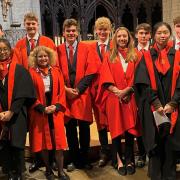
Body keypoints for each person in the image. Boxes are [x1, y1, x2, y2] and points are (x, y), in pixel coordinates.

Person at [134, 22, 180, 180]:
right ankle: (156, 176)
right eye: (159, 33)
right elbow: (142, 82)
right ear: (153, 35)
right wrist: (157, 104)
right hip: (154, 109)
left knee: (170, 144)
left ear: (170, 34)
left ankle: (170, 175)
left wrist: (173, 103)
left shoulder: (177, 55)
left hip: (174, 108)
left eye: (165, 32)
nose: (162, 36)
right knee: (155, 144)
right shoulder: (146, 57)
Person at [14, 12, 58, 172]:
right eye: (28, 24)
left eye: (33, 23)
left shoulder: (47, 41)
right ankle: (37, 159)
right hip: (29, 92)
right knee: (34, 128)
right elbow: (18, 69)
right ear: (24, 24)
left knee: (50, 127)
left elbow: (54, 63)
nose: (31, 26)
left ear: (37, 24)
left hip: (46, 90)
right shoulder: (19, 44)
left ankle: (52, 159)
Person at [96, 27, 141, 176]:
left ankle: (129, 160)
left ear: (129, 38)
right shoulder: (109, 55)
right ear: (115, 39)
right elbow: (104, 77)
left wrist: (127, 91)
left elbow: (140, 77)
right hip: (114, 98)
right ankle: (118, 160)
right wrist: (118, 92)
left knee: (129, 130)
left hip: (131, 97)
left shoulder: (136, 55)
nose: (122, 39)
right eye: (119, 36)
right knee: (116, 131)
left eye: (125, 36)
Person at [57, 18, 100, 172]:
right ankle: (74, 160)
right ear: (63, 33)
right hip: (66, 95)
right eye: (68, 31)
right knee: (69, 129)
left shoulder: (86, 48)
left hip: (82, 95)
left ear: (78, 32)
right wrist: (66, 90)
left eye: (73, 31)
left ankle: (84, 159)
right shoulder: (58, 50)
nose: (71, 33)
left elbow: (92, 71)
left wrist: (78, 90)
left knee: (84, 128)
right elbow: (56, 72)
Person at [28, 46, 69, 180]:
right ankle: (48, 170)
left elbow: (61, 92)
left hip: (55, 112)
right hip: (40, 112)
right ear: (35, 58)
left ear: (49, 57)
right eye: (40, 56)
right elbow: (30, 94)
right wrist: (42, 108)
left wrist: (56, 106)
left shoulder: (56, 71)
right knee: (44, 143)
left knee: (59, 143)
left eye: (45, 56)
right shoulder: (31, 73)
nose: (43, 58)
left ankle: (61, 171)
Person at [0, 38, 36, 180]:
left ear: (10, 50)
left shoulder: (19, 70)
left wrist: (11, 111)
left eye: (5, 49)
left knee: (17, 143)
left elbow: (23, 93)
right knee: (4, 143)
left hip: (16, 114)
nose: (2, 52)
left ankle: (20, 172)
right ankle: (9, 172)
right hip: (1, 115)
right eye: (0, 50)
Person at [89, 17, 112, 167]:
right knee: (101, 124)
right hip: (96, 92)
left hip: (111, 91)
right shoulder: (90, 48)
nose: (102, 32)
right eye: (100, 29)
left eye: (105, 29)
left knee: (114, 122)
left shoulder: (115, 46)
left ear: (110, 31)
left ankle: (116, 152)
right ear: (96, 31)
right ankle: (104, 151)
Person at [134, 23, 152, 168]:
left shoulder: (154, 52)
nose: (144, 36)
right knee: (139, 125)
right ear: (136, 35)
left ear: (150, 35)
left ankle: (152, 153)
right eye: (141, 33)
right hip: (135, 95)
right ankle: (141, 153)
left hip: (152, 96)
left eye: (146, 33)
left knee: (152, 126)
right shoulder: (131, 53)